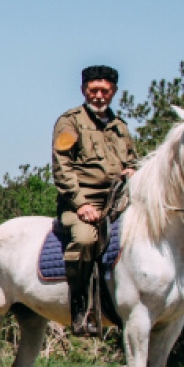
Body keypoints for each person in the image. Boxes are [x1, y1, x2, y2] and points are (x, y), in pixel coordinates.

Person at [51, 65, 137, 336]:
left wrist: (132, 171)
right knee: (86, 240)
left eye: (104, 90)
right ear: (83, 90)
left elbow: (133, 160)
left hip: (118, 201)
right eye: (93, 90)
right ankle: (81, 309)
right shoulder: (70, 122)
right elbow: (61, 167)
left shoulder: (120, 126)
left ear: (113, 92)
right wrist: (82, 204)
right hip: (82, 203)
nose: (99, 95)